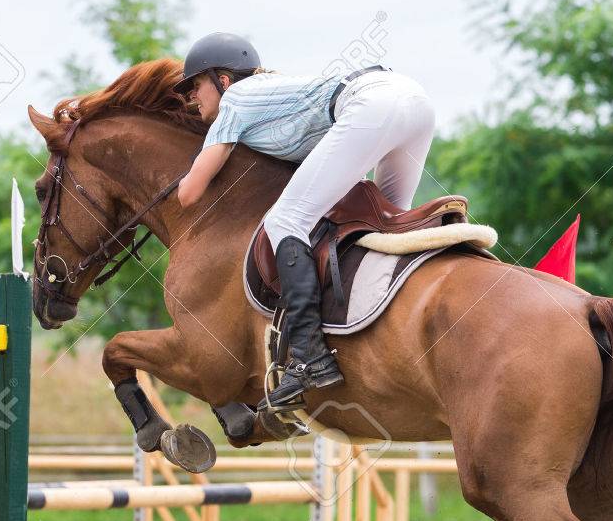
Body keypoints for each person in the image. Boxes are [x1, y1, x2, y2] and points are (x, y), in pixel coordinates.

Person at [175, 33, 436, 411]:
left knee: (284, 220)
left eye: (195, 86)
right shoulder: (272, 99)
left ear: (223, 80)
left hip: (371, 103)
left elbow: (189, 194)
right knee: (388, 224)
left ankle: (310, 356)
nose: (191, 98)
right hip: (414, 100)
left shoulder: (234, 101)